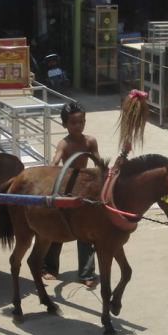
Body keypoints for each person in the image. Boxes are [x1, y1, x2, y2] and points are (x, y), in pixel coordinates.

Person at [42, 102, 100, 288]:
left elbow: (98, 163)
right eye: (73, 122)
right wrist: (51, 172)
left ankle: (86, 273)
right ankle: (49, 268)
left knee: (86, 232)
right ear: (65, 125)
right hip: (66, 186)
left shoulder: (90, 141)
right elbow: (56, 161)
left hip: (84, 187)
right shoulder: (64, 143)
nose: (78, 125)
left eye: (81, 121)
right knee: (58, 229)